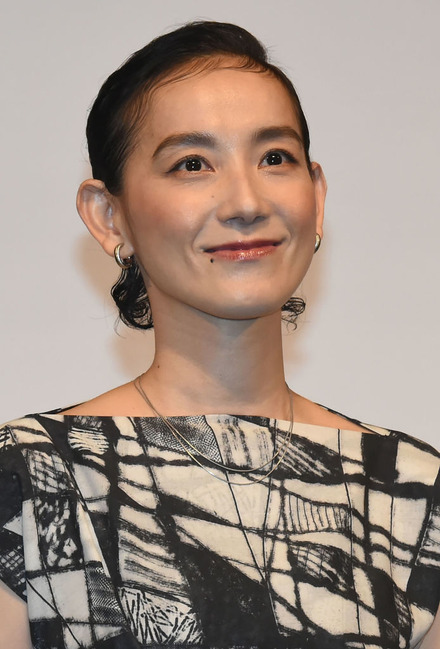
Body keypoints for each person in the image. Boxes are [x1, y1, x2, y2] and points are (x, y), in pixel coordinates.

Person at [0, 20, 439, 649]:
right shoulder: (31, 476)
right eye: (192, 164)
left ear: (316, 197)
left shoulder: (412, 494)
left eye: (274, 158)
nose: (245, 202)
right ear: (109, 215)